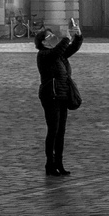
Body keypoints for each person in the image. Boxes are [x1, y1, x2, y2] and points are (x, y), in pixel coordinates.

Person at [36, 17, 84, 176]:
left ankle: (59, 163)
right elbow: (60, 48)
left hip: (62, 94)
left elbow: (72, 48)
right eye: (50, 37)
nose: (53, 37)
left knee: (61, 131)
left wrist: (77, 35)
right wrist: (66, 37)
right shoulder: (44, 55)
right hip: (51, 95)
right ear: (43, 42)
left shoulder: (58, 54)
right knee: (53, 130)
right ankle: (49, 164)